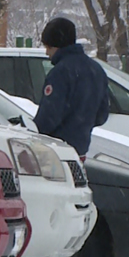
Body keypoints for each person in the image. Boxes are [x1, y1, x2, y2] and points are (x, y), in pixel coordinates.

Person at [33, 17, 109, 158]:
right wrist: (81, 125)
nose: (46, 53)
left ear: (56, 45)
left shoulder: (60, 73)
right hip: (80, 151)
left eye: (48, 47)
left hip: (56, 152)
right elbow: (102, 115)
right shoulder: (96, 70)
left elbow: (49, 117)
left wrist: (33, 133)